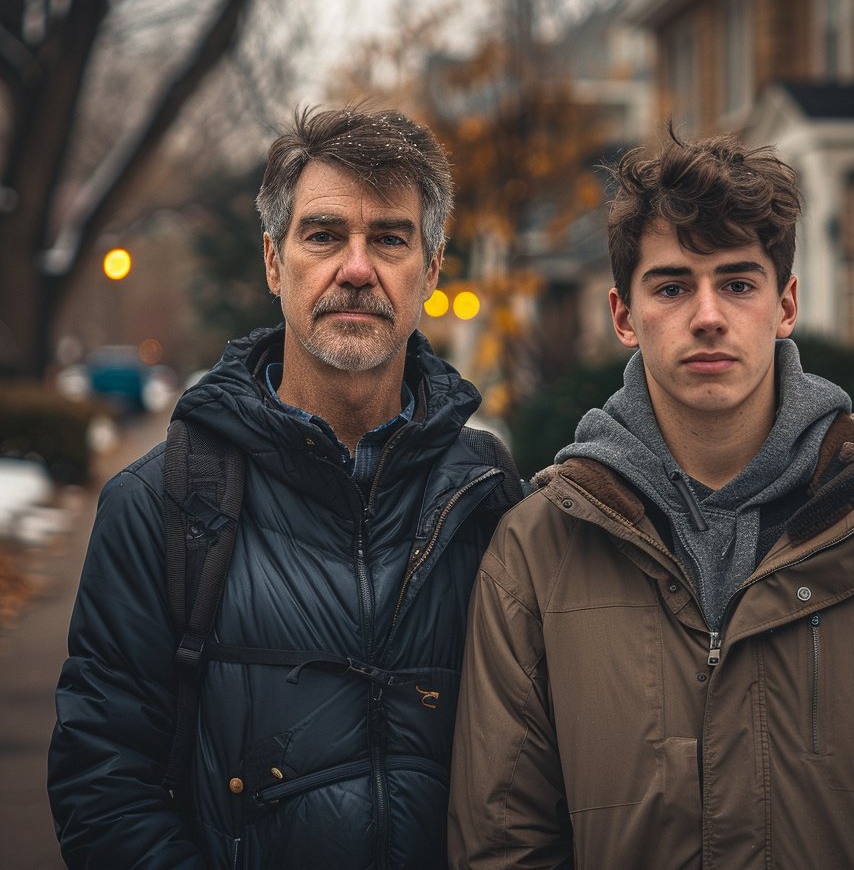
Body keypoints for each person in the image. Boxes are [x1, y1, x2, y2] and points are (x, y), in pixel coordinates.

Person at [448, 130, 854, 868]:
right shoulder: (534, 553)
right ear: (625, 316)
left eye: (738, 283)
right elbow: (502, 843)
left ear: (784, 306)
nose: (709, 314)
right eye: (672, 285)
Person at [48, 105, 524, 869]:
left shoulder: (491, 498)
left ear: (431, 272)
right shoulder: (161, 504)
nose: (357, 267)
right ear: (275, 263)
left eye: (391, 238)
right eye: (324, 234)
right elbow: (103, 788)